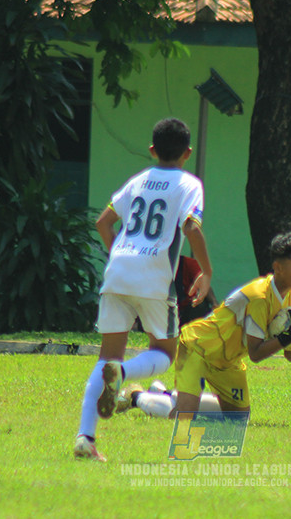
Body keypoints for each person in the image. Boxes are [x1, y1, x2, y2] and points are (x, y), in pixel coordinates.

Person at [73, 117, 213, 462]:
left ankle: (85, 437)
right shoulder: (189, 183)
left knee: (107, 355)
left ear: (152, 150)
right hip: (153, 277)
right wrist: (206, 270)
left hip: (118, 271)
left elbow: (103, 222)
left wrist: (121, 256)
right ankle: (123, 374)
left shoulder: (138, 180)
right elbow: (191, 227)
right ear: (188, 152)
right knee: (164, 353)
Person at [171, 230, 291, 418]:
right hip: (199, 347)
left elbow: (289, 355)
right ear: (278, 267)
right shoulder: (259, 297)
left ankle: (175, 397)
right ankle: (139, 397)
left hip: (228, 361)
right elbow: (256, 354)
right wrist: (288, 336)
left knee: (239, 419)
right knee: (183, 417)